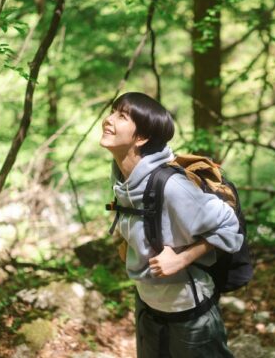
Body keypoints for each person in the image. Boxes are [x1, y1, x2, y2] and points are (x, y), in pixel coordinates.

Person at [99, 92, 243, 357]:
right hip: (148, 305)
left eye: (121, 116)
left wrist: (182, 258)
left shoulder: (173, 186)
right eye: (112, 112)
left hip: (190, 313)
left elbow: (229, 226)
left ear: (141, 138)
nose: (108, 120)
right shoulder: (123, 177)